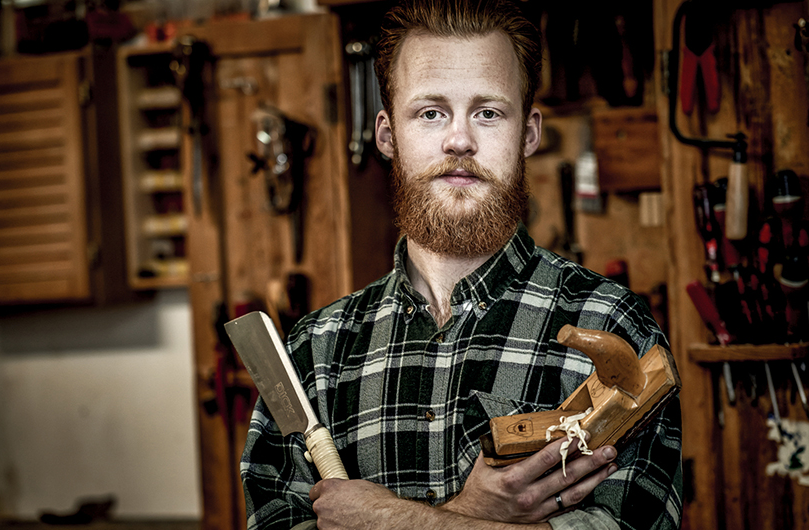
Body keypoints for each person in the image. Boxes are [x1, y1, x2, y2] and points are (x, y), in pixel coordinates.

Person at [240, 1, 683, 529]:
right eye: (430, 112)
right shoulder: (313, 349)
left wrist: (387, 521)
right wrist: (473, 516)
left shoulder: (612, 329)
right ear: (387, 135)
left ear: (528, 134)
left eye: (488, 112)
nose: (459, 139)